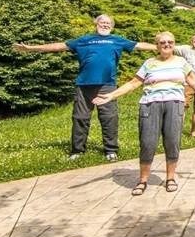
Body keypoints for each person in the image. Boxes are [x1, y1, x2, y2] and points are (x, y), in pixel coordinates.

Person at [93, 31, 195, 196]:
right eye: (163, 42)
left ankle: (170, 178)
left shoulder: (182, 62)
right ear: (158, 45)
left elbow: (194, 81)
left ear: (174, 45)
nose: (167, 45)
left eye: (170, 42)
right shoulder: (149, 63)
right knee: (147, 143)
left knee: (172, 141)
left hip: (175, 104)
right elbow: (133, 83)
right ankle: (143, 180)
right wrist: (111, 95)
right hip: (150, 105)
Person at [13, 14, 156, 162]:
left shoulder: (117, 40)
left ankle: (111, 150)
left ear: (112, 27)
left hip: (107, 86)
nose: (105, 25)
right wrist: (31, 48)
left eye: (108, 23)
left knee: (109, 119)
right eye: (102, 22)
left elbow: (140, 45)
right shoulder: (84, 40)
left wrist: (164, 47)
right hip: (83, 86)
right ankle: (77, 150)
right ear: (96, 24)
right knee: (80, 118)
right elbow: (59, 46)